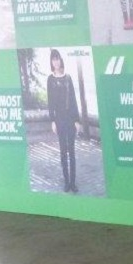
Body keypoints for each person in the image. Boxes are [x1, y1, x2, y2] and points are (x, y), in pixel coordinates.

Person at [47, 49, 82, 193]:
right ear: (51, 62)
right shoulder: (50, 79)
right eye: (53, 59)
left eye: (57, 58)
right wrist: (52, 121)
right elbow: (50, 101)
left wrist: (77, 120)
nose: (56, 61)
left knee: (71, 151)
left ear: (61, 60)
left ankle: (73, 182)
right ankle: (66, 182)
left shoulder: (68, 78)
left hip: (70, 118)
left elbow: (73, 100)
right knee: (63, 151)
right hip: (59, 119)